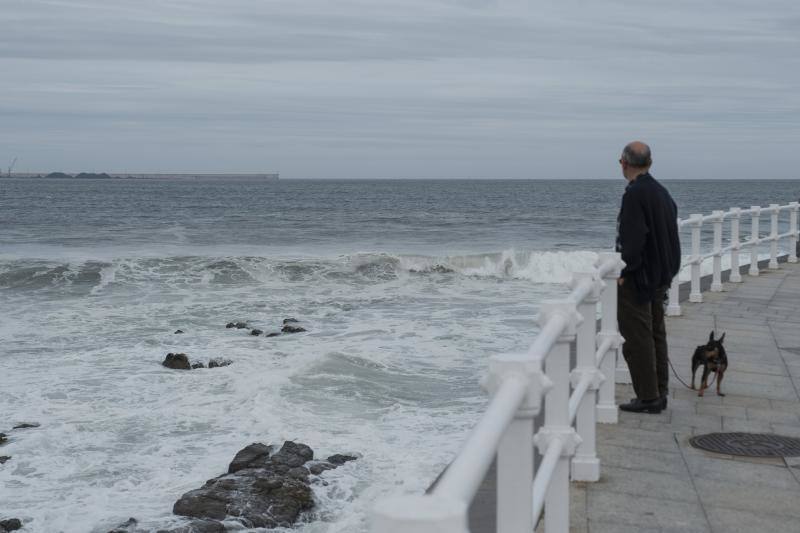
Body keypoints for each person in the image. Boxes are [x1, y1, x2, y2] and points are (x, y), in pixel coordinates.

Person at [615, 141, 681, 413]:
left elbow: (632, 241)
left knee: (638, 338)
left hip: (640, 279)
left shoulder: (634, 194)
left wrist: (624, 271)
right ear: (650, 163)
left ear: (624, 163)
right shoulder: (662, 192)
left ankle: (648, 397)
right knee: (656, 335)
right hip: (660, 275)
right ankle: (659, 393)